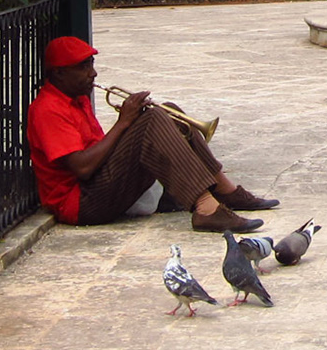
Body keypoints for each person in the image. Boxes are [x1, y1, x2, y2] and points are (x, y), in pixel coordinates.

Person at [26, 35, 279, 232]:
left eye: (91, 64)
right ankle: (206, 209)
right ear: (59, 73)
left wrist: (129, 125)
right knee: (152, 120)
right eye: (82, 67)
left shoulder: (76, 99)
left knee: (167, 111)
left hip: (95, 186)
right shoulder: (48, 109)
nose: (92, 73)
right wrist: (125, 123)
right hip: (81, 203)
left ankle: (225, 190)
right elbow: (82, 168)